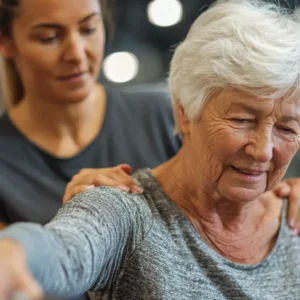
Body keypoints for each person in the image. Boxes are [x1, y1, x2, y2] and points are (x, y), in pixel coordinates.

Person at [2, 1, 300, 299]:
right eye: (242, 120)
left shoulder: (292, 218)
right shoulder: (123, 211)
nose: (263, 151)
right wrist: (14, 253)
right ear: (183, 113)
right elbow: (60, 250)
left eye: (287, 128)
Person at [0, 0, 181, 228]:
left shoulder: (166, 116)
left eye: (88, 29)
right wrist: (76, 224)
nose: (76, 53)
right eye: (49, 37)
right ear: (5, 41)